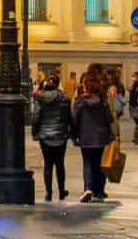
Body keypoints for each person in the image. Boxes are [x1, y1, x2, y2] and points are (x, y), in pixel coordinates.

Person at [71, 71, 118, 203]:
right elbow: (109, 118)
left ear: (86, 86)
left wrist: (74, 135)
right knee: (99, 163)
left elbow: (74, 119)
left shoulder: (80, 101)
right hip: (101, 136)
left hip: (85, 136)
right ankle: (100, 190)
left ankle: (88, 188)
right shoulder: (102, 101)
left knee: (87, 162)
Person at [29, 73, 72, 201]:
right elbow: (68, 117)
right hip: (61, 135)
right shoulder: (65, 98)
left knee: (48, 165)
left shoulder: (40, 98)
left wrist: (35, 132)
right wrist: (69, 131)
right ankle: (61, 191)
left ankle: (48, 192)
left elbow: (36, 117)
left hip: (45, 136)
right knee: (60, 164)